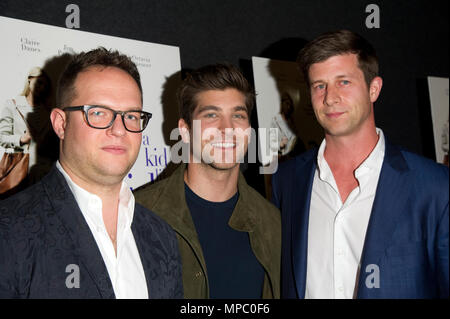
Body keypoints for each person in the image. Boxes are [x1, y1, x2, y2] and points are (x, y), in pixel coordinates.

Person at [272, 30, 449, 299]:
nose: (330, 97)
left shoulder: (435, 187)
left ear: (373, 88)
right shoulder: (286, 181)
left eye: (343, 82)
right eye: (319, 85)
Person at [0, 47, 183, 298]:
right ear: (61, 124)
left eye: (131, 115)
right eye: (98, 112)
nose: (119, 129)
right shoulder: (8, 231)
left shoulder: (162, 237)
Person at [134, 63, 281, 299]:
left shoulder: (273, 223)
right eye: (211, 115)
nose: (227, 128)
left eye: (238, 115)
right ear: (185, 130)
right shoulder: (137, 215)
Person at [0, 67, 53, 189]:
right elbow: (2, 137)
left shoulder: (48, 111)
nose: (41, 88)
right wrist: (21, 139)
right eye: (39, 82)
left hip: (41, 171)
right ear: (29, 80)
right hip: (18, 168)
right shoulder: (12, 105)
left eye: (45, 85)